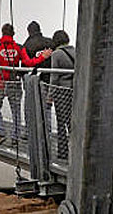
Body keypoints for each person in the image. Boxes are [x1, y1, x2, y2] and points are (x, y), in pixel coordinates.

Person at [0, 23, 52, 144]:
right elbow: (29, 62)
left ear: (2, 33)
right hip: (14, 83)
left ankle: (0, 133)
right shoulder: (19, 48)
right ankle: (15, 136)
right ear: (13, 33)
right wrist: (42, 57)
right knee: (16, 110)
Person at [23, 21, 56, 137]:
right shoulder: (50, 42)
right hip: (49, 79)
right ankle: (47, 133)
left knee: (30, 107)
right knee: (46, 108)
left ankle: (29, 132)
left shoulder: (27, 45)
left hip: (34, 81)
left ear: (29, 31)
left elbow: (25, 64)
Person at [49, 30, 76, 160]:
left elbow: (54, 76)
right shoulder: (76, 51)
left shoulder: (56, 54)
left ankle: (63, 152)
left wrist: (50, 95)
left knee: (61, 122)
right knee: (72, 122)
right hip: (75, 90)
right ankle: (76, 149)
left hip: (62, 92)